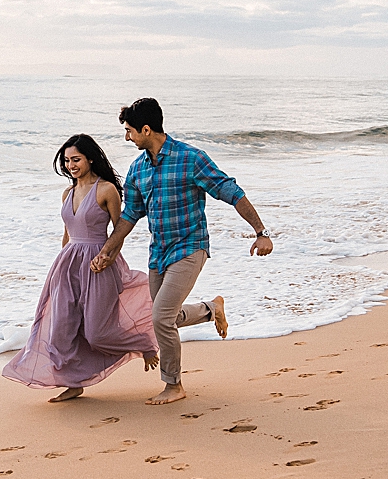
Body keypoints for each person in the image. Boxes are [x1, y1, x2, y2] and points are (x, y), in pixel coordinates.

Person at [91, 97, 272, 405]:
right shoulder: (138, 170)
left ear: (146, 130)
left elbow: (230, 191)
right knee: (165, 318)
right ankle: (210, 309)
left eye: (130, 131)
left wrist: (261, 232)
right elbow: (130, 215)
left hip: (190, 247)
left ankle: (173, 385)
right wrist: (108, 249)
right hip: (158, 253)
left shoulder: (190, 158)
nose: (127, 137)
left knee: (160, 317)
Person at [2, 133, 159, 402]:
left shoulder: (106, 189)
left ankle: (144, 343)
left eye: (76, 159)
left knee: (97, 333)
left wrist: (109, 256)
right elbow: (67, 232)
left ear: (90, 158)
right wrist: (61, 266)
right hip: (67, 266)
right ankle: (73, 383)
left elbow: (120, 230)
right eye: (66, 161)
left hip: (99, 264)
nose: (71, 165)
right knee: (60, 330)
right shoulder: (67, 193)